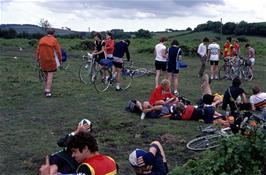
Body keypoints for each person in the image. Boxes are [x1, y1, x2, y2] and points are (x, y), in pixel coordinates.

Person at [36, 28, 62, 97]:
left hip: (42, 60)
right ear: (53, 33)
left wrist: (37, 59)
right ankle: (48, 91)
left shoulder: (41, 39)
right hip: (51, 60)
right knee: (50, 75)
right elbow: (58, 51)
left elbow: (38, 50)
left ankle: (46, 87)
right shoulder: (54, 40)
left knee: (46, 74)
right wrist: (60, 59)